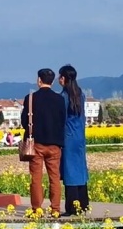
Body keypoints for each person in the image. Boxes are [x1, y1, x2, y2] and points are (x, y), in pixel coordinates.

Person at [21, 68, 66, 215]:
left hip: (36, 144)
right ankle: (55, 209)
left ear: (39, 80)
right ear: (52, 82)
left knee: (36, 178)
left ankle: (37, 209)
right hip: (55, 144)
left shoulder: (31, 98)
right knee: (54, 178)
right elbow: (62, 121)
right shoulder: (60, 99)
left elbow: (24, 121)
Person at [58, 65, 89, 216]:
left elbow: (61, 119)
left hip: (69, 137)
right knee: (81, 169)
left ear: (63, 78)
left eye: (60, 76)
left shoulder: (63, 96)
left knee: (70, 171)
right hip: (80, 137)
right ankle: (83, 203)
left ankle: (71, 207)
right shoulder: (81, 94)